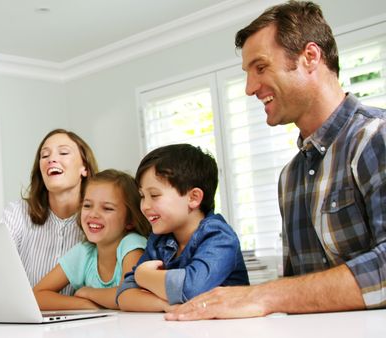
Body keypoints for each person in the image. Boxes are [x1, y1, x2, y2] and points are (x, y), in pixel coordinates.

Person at [165, 1, 386, 321]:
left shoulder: (375, 137)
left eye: (260, 67)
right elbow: (301, 289)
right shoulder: (290, 178)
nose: (249, 88)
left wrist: (264, 293)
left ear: (310, 57)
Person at [116, 144, 249, 311]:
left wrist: (143, 275)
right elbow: (124, 295)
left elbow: (191, 288)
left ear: (193, 198)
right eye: (143, 196)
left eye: (154, 195)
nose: (144, 206)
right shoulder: (159, 240)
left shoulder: (219, 236)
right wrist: (165, 305)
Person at [33, 169, 151, 310]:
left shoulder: (132, 244)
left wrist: (88, 293)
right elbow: (37, 296)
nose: (93, 214)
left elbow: (127, 294)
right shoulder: (85, 252)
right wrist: (84, 304)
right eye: (87, 205)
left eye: (107, 208)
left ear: (130, 220)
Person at [2, 129, 98, 295]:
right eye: (44, 155)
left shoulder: (98, 219)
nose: (52, 159)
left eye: (63, 152)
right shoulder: (17, 213)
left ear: (85, 168)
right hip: (26, 318)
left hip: (85, 319)